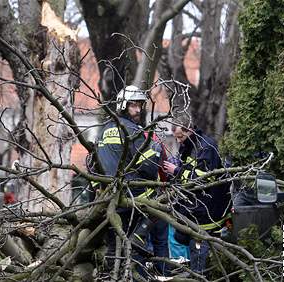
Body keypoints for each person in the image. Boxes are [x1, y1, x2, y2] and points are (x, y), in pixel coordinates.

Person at [97, 85, 169, 276]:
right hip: (134, 199)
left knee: (114, 248)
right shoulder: (131, 130)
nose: (138, 110)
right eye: (133, 106)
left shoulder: (104, 129)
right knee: (135, 248)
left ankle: (109, 277)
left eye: (139, 106)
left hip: (110, 199)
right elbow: (149, 167)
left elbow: (93, 164)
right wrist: (156, 149)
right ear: (122, 105)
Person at [163, 115, 231, 274]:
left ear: (190, 130)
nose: (178, 141)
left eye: (180, 137)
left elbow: (202, 180)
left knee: (200, 260)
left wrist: (176, 171)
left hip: (207, 214)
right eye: (176, 138)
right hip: (194, 211)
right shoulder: (188, 145)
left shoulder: (206, 147)